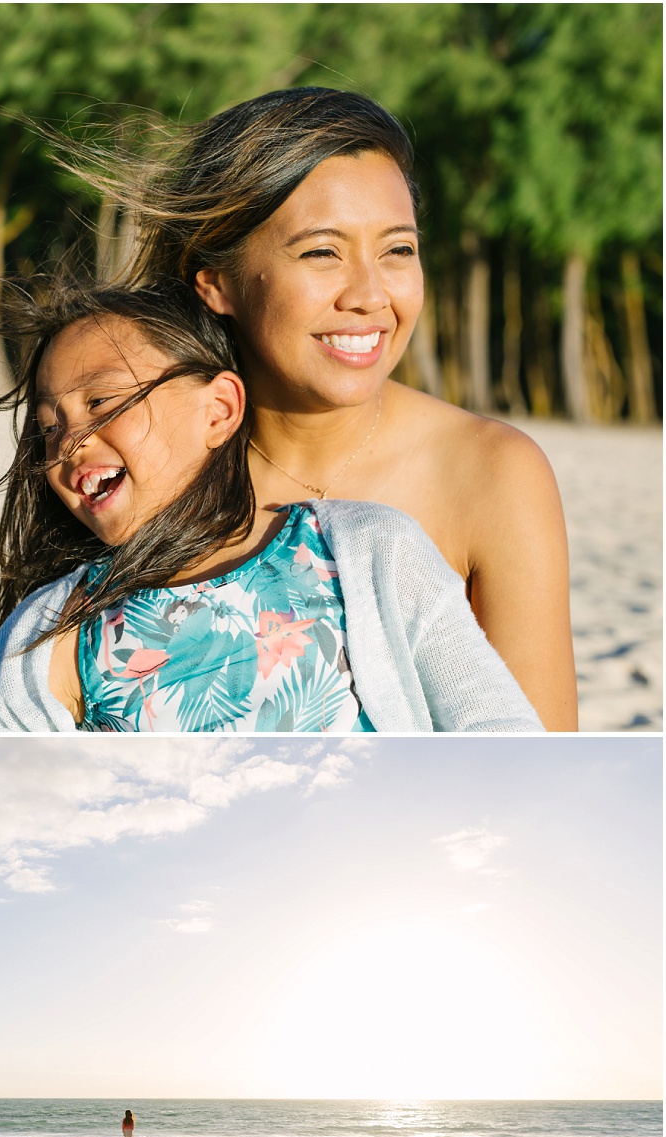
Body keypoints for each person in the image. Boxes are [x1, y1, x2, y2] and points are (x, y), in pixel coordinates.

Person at [93, 88, 578, 731]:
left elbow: (542, 776)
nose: (371, 295)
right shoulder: (153, 463)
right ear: (216, 281)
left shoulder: (489, 474)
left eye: (398, 250)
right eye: (322, 252)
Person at [0, 282, 542, 732]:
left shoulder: (368, 551)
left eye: (103, 402)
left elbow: (499, 736)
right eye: (50, 427)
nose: (70, 443)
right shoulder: (55, 631)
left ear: (218, 411)